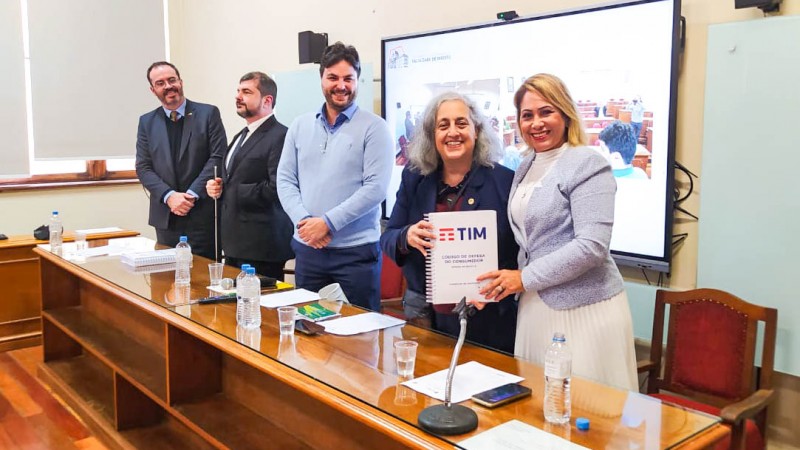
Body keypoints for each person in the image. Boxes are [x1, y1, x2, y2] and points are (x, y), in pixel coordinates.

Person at [477, 73, 638, 390]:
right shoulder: (525, 165)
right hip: (535, 307)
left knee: (587, 416)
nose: (536, 123)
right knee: (539, 407)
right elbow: (529, 242)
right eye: (527, 115)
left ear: (565, 114)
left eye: (546, 112)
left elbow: (592, 246)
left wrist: (522, 278)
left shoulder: (587, 163)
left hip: (585, 312)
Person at [381, 92, 518, 353]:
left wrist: (501, 282)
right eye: (443, 125)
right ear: (432, 135)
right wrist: (406, 236)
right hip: (424, 316)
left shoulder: (504, 182)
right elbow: (387, 239)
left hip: (488, 319)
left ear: (476, 130)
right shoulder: (414, 179)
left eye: (461, 123)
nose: (452, 132)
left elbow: (520, 254)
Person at [277, 42, 393, 311]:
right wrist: (305, 222)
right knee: (308, 330)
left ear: (357, 81)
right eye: (333, 77)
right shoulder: (299, 125)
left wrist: (327, 223)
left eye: (348, 78)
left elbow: (375, 189)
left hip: (356, 253)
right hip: (308, 249)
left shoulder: (375, 128)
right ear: (321, 79)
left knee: (361, 337)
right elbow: (285, 180)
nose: (341, 85)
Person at [205, 72, 294, 279]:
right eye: (238, 91)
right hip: (235, 243)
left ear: (267, 100)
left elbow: (278, 188)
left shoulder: (281, 135)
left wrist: (231, 191)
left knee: (261, 309)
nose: (238, 97)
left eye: (246, 92)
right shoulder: (240, 135)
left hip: (262, 246)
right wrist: (216, 187)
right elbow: (233, 177)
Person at [136, 62, 227, 260]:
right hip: (166, 218)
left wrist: (191, 195)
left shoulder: (208, 114)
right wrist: (169, 196)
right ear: (153, 90)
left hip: (202, 215)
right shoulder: (147, 122)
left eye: (171, 80)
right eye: (160, 83)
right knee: (166, 281)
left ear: (180, 81)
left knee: (205, 282)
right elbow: (143, 167)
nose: (168, 86)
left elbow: (217, 157)